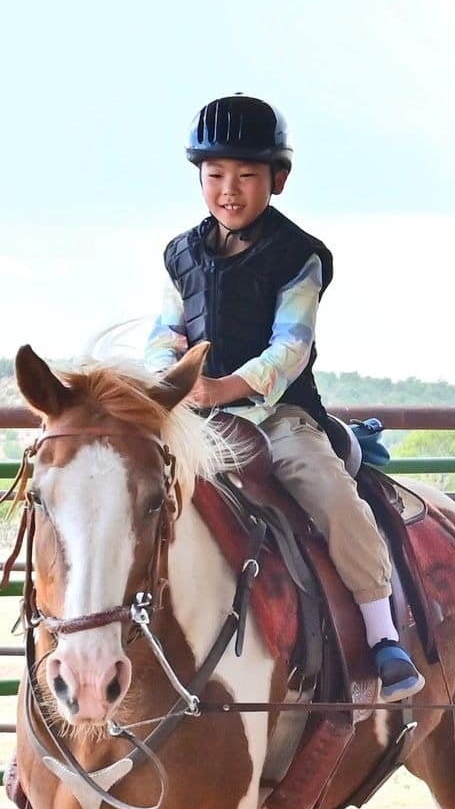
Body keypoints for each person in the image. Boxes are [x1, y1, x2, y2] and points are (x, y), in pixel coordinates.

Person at [145, 92, 423, 701]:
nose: (229, 190)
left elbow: (289, 349)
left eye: (247, 175)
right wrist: (168, 380)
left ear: (279, 179)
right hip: (196, 417)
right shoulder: (179, 254)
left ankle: (382, 635)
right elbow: (165, 332)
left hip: (278, 416)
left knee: (333, 497)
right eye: (215, 175)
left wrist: (223, 386)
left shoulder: (300, 257)